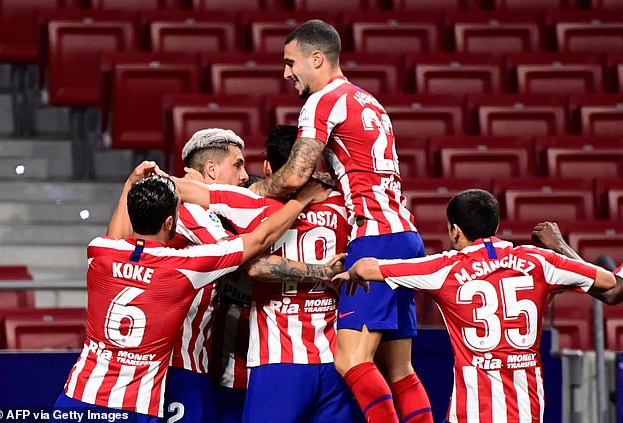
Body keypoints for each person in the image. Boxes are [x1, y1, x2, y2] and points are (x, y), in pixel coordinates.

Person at [248, 19, 431, 423]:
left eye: (290, 62)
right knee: (400, 369)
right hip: (406, 235)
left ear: (316, 58)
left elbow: (294, 175)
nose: (286, 73)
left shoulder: (322, 100)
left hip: (374, 237)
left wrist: (251, 191)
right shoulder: (369, 102)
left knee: (350, 361)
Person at [51, 165, 326, 421]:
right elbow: (261, 238)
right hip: (136, 407)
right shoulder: (183, 266)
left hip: (78, 397)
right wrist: (300, 201)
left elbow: (118, 236)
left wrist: (130, 184)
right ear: (170, 222)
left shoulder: (100, 250)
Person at [334, 189, 623, 422]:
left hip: (470, 414)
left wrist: (349, 269)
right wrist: (559, 247)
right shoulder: (540, 261)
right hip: (527, 412)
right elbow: (610, 283)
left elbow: (368, 267)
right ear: (496, 226)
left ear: (455, 231)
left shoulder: (444, 268)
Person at [184, 125, 363, 422]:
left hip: (279, 356)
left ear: (268, 167)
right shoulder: (345, 206)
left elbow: (254, 266)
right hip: (335, 358)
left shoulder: (253, 205)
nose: (245, 176)